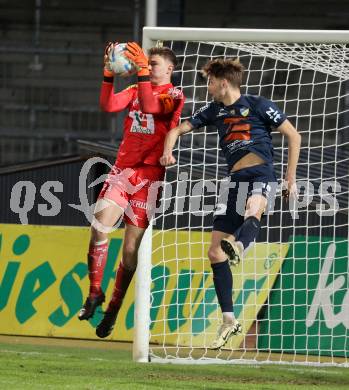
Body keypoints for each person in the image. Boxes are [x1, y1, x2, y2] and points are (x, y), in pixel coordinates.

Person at [160, 58, 301, 349]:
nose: (208, 87)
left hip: (262, 173)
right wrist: (167, 153)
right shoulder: (212, 111)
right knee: (214, 253)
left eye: (210, 82)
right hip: (233, 182)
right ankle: (228, 319)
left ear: (223, 82)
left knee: (254, 209)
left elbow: (293, 135)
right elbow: (175, 130)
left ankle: (238, 245)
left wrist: (290, 178)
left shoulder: (259, 104)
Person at [78, 41, 185, 339]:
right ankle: (95, 293)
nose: (149, 68)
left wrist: (139, 71)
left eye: (153, 65)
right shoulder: (138, 89)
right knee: (99, 227)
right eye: (146, 64)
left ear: (170, 69)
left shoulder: (175, 95)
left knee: (129, 250)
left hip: (149, 178)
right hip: (123, 171)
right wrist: (108, 74)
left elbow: (152, 107)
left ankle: (113, 309)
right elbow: (108, 105)